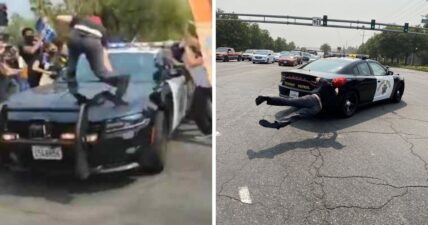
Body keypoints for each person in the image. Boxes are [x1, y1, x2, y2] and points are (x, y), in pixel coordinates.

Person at [55, 14, 129, 104]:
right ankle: (120, 80)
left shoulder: (81, 19)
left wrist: (62, 27)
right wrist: (110, 74)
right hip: (93, 41)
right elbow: (104, 55)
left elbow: (60, 18)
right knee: (100, 72)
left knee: (71, 69)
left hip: (74, 37)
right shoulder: (103, 30)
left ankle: (75, 94)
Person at [255, 77, 346, 129]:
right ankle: (279, 124)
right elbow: (336, 91)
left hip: (312, 99)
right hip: (317, 108)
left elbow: (317, 79)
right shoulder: (335, 93)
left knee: (289, 101)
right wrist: (337, 87)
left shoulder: (325, 82)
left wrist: (320, 81)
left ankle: (266, 99)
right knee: (297, 115)